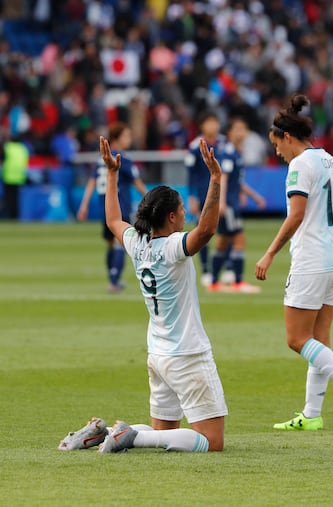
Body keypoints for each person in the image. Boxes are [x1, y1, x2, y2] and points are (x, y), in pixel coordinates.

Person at [59, 136, 227, 453]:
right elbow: (206, 230)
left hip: (158, 354)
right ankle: (133, 435)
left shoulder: (138, 242)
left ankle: (102, 432)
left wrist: (111, 174)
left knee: (166, 431)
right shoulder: (172, 247)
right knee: (212, 442)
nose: (185, 215)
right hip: (187, 354)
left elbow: (112, 220)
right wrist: (215, 179)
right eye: (181, 210)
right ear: (172, 218)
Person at [254, 94, 333, 433]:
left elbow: (297, 214)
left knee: (296, 338)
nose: (277, 153)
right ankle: (312, 414)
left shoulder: (299, 165)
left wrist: (270, 251)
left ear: (287, 137)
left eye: (277, 146)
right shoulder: (332, 162)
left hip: (313, 259)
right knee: (319, 337)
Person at [77, 122, 147, 293]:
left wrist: (84, 205)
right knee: (120, 243)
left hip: (104, 208)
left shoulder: (102, 157)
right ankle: (114, 281)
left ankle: (112, 276)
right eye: (126, 136)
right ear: (117, 138)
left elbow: (92, 182)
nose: (129, 139)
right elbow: (137, 183)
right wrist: (152, 199)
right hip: (119, 206)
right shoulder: (123, 158)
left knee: (110, 244)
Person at [208, 116, 265, 293]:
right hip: (229, 205)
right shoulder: (229, 152)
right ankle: (238, 282)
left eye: (243, 129)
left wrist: (254, 196)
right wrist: (222, 202)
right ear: (230, 132)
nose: (242, 132)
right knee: (239, 239)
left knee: (222, 242)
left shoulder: (236, 153)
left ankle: (214, 283)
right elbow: (223, 177)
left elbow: (237, 182)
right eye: (238, 128)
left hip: (232, 202)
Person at [185, 111, 227, 286]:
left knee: (227, 232)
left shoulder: (224, 143)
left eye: (215, 122)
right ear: (202, 126)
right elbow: (191, 174)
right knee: (202, 232)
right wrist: (192, 197)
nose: (213, 126)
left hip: (222, 193)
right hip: (204, 194)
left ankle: (227, 267)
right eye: (209, 122)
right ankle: (206, 269)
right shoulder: (195, 146)